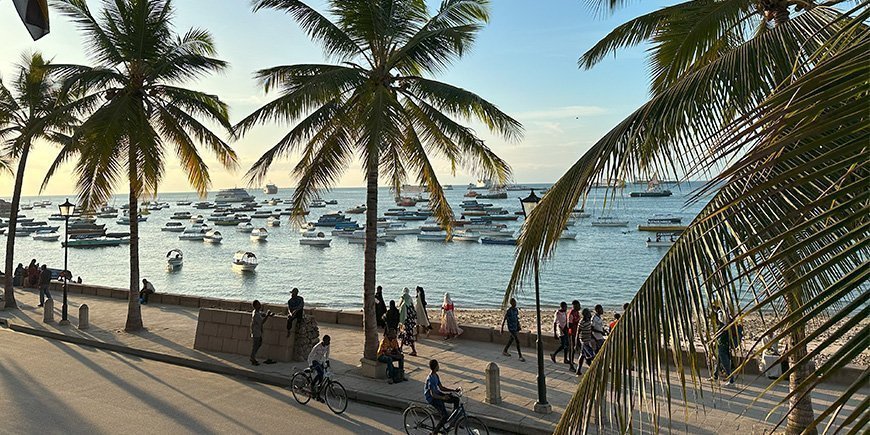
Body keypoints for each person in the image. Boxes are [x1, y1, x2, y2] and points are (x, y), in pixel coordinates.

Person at [425, 359, 461, 434]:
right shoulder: (430, 378)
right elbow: (433, 395)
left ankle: (453, 420)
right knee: (444, 416)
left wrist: (453, 390)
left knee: (456, 399)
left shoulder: (436, 375)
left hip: (438, 394)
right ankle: (435, 432)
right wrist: (443, 398)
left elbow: (441, 388)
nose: (439, 366)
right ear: (435, 367)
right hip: (432, 398)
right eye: (438, 365)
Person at [711, 303, 736, 385]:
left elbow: (723, 326)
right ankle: (715, 376)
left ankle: (731, 379)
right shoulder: (724, 314)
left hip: (723, 342)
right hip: (722, 341)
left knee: (724, 361)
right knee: (718, 359)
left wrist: (715, 336)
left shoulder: (721, 314)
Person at [250, 300, 274, 366]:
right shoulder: (256, 314)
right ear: (255, 306)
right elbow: (262, 322)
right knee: (256, 345)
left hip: (258, 331)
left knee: (259, 343)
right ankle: (252, 358)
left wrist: (268, 314)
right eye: (258, 304)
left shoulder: (256, 312)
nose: (260, 305)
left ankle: (253, 357)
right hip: (256, 331)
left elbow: (262, 314)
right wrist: (267, 316)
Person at [398, 288, 418, 356]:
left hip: (406, 323)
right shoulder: (411, 304)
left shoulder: (404, 305)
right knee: (404, 335)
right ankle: (400, 348)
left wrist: (401, 323)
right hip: (411, 322)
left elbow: (402, 316)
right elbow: (414, 313)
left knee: (409, 336)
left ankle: (414, 351)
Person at [575, 308, 595, 373]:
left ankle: (578, 370)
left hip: (588, 340)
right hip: (584, 341)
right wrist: (576, 343)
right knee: (592, 355)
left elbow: (590, 330)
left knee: (582, 354)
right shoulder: (582, 322)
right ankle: (588, 362)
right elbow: (577, 333)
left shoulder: (589, 321)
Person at [567, 300, 582, 371]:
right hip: (572, 333)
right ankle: (571, 365)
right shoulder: (571, 314)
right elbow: (569, 325)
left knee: (580, 347)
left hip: (577, 333)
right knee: (572, 349)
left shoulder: (577, 313)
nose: (579, 307)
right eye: (578, 305)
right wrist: (576, 324)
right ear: (574, 306)